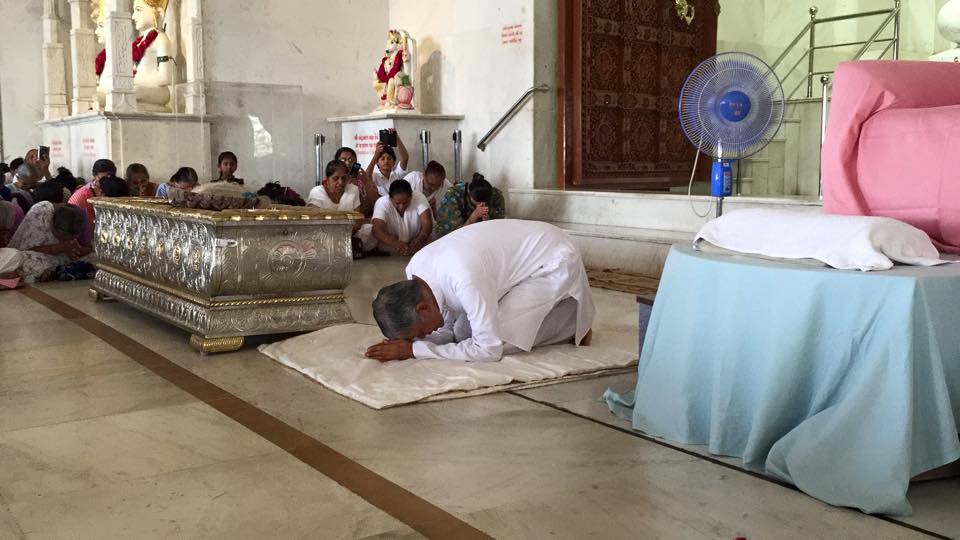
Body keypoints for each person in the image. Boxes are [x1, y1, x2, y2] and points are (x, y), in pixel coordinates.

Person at [366, 220, 595, 363]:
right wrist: (412, 345)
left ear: (422, 308)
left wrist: (415, 350)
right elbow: (446, 327)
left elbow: (488, 350)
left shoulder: (463, 277)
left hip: (551, 258)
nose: (424, 336)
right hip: (508, 269)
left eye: (420, 332)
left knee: (502, 340)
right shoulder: (415, 270)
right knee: (462, 332)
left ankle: (572, 323)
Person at [7, 201, 93, 283]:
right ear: (55, 227)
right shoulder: (41, 212)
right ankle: (52, 272)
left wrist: (77, 250)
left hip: (58, 257)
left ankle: (55, 272)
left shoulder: (78, 216)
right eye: (63, 237)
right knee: (25, 259)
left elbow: (86, 248)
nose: (67, 240)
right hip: (33, 254)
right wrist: (57, 248)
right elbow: (26, 248)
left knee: (93, 258)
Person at [308, 160, 376, 256]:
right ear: (327, 179)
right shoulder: (317, 192)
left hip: (348, 234)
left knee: (371, 229)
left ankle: (343, 247)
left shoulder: (353, 189)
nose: (340, 182)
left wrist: (345, 235)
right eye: (335, 178)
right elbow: (313, 224)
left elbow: (358, 220)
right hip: (323, 235)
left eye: (344, 178)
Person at [370, 179, 432, 256]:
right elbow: (376, 229)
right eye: (397, 203)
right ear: (390, 198)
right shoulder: (382, 202)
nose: (401, 207)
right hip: (390, 249)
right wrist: (394, 243)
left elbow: (427, 224)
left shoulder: (419, 197)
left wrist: (420, 240)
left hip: (419, 245)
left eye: (405, 202)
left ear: (411, 197)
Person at [434, 173, 506, 238]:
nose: (482, 205)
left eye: (485, 202)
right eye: (478, 202)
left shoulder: (496, 196)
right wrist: (474, 216)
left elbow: (498, 229)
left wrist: (487, 221)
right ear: (469, 191)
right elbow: (454, 236)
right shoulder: (452, 196)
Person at [68, 159, 122, 226]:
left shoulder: (116, 190)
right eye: (103, 179)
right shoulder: (81, 197)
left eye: (111, 178)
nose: (108, 182)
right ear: (94, 176)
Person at [364, 129, 409, 197]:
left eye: (389, 158)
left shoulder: (397, 174)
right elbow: (367, 175)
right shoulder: (375, 176)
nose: (386, 161)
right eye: (382, 159)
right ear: (377, 162)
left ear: (394, 162)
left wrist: (396, 137)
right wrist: (376, 155)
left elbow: (405, 158)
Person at [336, 146, 378, 218]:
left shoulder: (362, 177)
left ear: (355, 162)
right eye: (343, 160)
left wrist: (367, 182)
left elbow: (376, 203)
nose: (347, 163)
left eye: (350, 160)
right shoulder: (334, 181)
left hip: (366, 219)